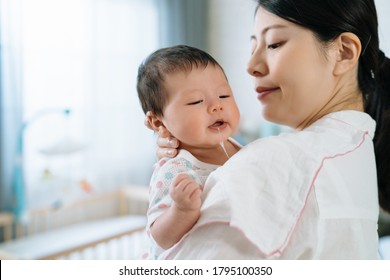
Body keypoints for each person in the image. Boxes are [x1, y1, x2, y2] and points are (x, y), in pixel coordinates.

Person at [151, 0, 390, 259]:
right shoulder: (357, 147)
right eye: (253, 46)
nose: (250, 65)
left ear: (343, 52)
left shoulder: (274, 163)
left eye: (274, 43)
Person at [137, 45, 241, 259]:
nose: (216, 106)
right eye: (196, 101)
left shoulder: (236, 146)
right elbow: (159, 238)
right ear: (158, 122)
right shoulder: (176, 170)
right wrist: (181, 210)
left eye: (224, 95)